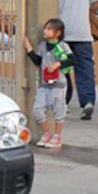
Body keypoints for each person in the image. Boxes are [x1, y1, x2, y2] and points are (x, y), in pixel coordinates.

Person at [56, 0, 98, 120]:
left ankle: (64, 101)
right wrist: (89, 11)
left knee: (62, 68)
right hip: (83, 34)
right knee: (85, 69)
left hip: (62, 35)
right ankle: (88, 102)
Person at [24, 18, 73, 150]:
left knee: (59, 111)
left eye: (49, 29)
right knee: (37, 110)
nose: (45, 31)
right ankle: (47, 134)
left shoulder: (62, 46)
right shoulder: (42, 46)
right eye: (45, 28)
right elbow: (37, 61)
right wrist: (28, 48)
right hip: (44, 85)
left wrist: (57, 64)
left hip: (59, 85)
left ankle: (57, 137)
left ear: (58, 33)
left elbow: (71, 60)